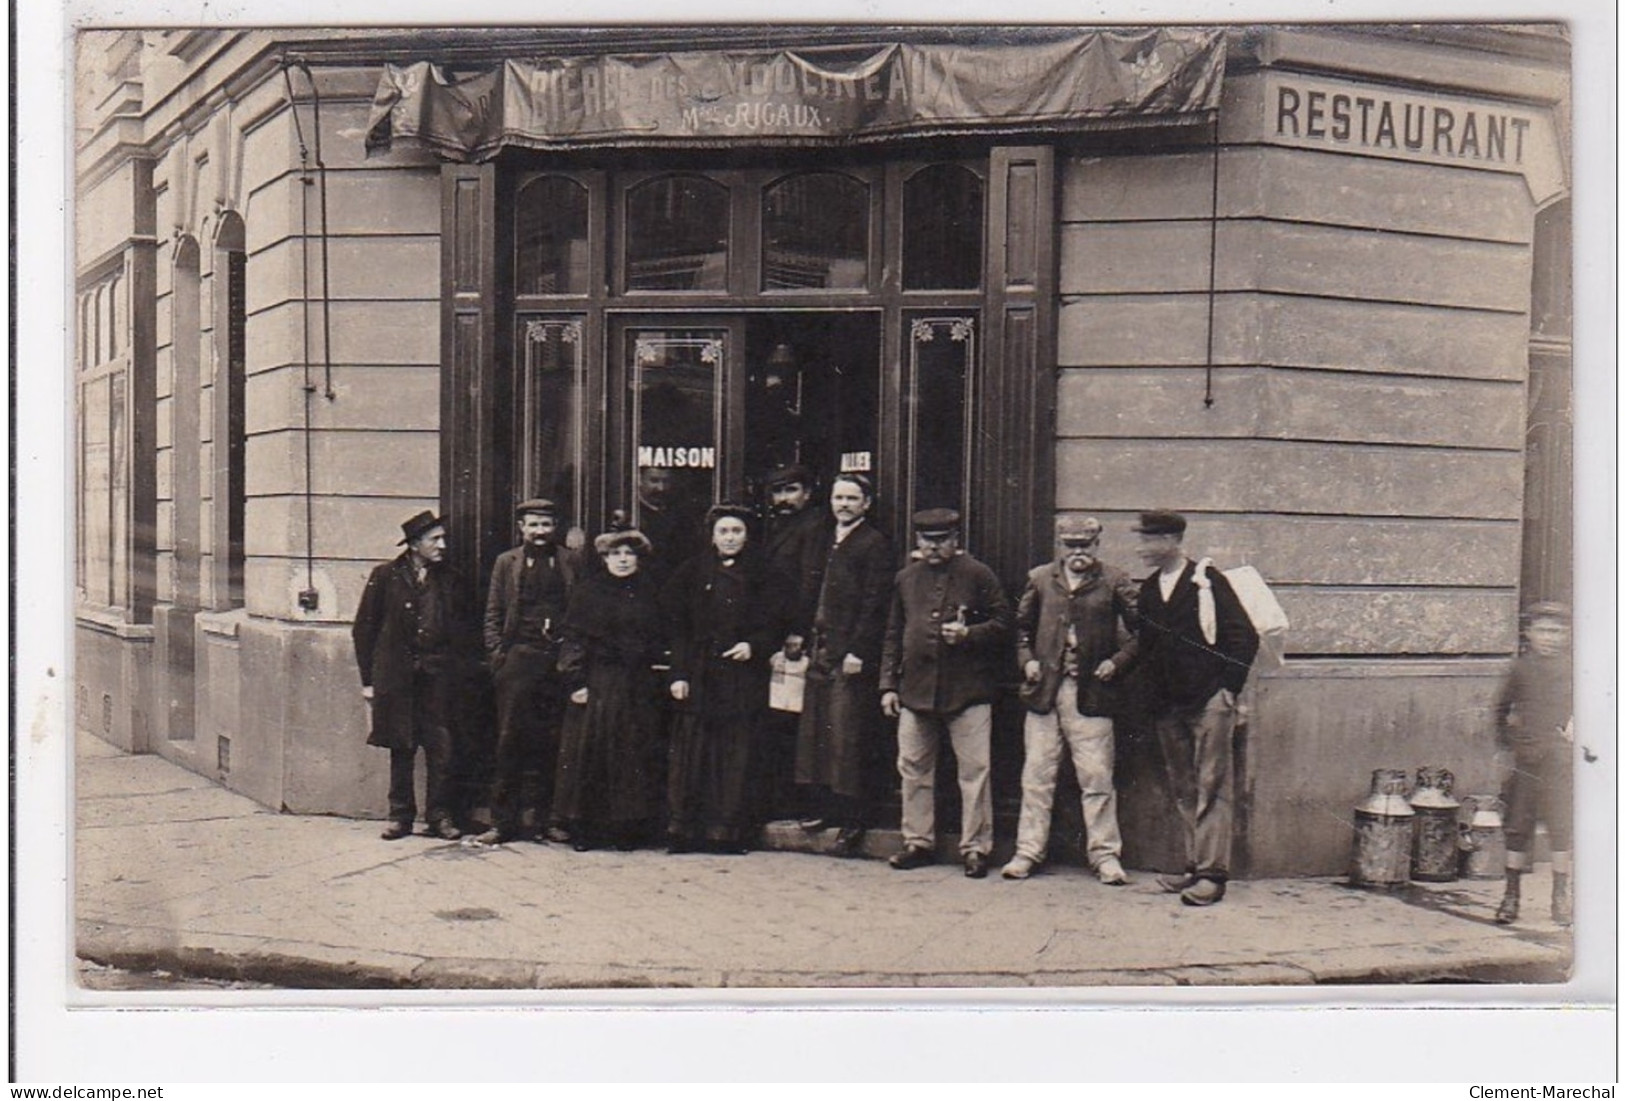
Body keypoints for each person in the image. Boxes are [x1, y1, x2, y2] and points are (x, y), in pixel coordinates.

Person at [1003, 515, 1139, 884]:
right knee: (1037, 775)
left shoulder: (1114, 581)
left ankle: (1106, 856)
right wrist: (1027, 660)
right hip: (1045, 693)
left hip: (1092, 694)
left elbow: (1142, 632)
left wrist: (1117, 661)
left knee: (1096, 777)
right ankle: (1028, 851)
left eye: (1086, 546)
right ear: (1060, 547)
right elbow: (1020, 628)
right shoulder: (1041, 579)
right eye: (1071, 546)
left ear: (1097, 545)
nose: (1078, 553)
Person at [1133, 509, 1259, 906]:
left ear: (1173, 541)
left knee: (1212, 786)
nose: (1144, 548)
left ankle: (1212, 875)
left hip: (1207, 701)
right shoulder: (1150, 589)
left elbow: (1245, 637)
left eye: (1151, 540)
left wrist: (1227, 690)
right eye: (1144, 539)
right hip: (1168, 706)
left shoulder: (1207, 581)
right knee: (1184, 787)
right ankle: (1192, 866)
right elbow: (1147, 648)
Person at [881, 508, 1013, 879]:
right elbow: (893, 633)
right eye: (927, 541)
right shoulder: (906, 579)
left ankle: (975, 848)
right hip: (916, 690)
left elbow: (1005, 622)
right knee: (913, 768)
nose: (934, 548)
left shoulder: (978, 574)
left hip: (967, 690)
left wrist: (969, 634)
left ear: (956, 541)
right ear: (918, 542)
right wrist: (888, 685)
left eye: (941, 541)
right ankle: (918, 841)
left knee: (975, 771)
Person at [663, 504, 793, 853]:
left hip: (741, 674)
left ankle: (727, 832)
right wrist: (679, 673)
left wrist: (754, 645)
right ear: (712, 536)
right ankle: (684, 831)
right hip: (700, 671)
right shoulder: (691, 572)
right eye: (723, 531)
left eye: (737, 531)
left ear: (747, 536)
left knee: (735, 752)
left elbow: (777, 621)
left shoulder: (765, 574)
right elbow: (677, 628)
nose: (730, 538)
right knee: (693, 751)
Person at [352, 510, 474, 841]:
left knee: (442, 747)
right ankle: (400, 816)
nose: (443, 545)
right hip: (398, 679)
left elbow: (464, 632)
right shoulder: (386, 576)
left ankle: (440, 816)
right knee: (401, 746)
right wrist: (369, 681)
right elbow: (364, 630)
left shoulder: (451, 579)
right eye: (435, 539)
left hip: (439, 678)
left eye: (443, 538)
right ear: (415, 544)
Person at [795, 473, 893, 856]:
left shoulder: (873, 543)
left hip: (848, 655)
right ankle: (825, 808)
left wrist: (859, 650)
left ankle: (854, 817)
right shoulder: (823, 539)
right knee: (817, 733)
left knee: (847, 737)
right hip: (819, 648)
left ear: (866, 503)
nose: (844, 504)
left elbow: (875, 602)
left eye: (852, 498)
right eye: (838, 497)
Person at [476, 499, 584, 845]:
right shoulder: (506, 563)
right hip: (518, 661)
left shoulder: (570, 561)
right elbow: (492, 613)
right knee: (510, 741)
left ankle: (545, 820)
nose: (540, 532)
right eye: (533, 525)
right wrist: (498, 658)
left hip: (558, 662)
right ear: (521, 527)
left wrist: (570, 659)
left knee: (552, 741)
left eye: (546, 525)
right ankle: (502, 821)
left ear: (556, 527)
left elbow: (579, 611)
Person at [551, 529, 667, 851]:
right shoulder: (589, 592)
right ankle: (585, 829)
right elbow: (573, 640)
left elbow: (658, 638)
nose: (623, 559)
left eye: (629, 553)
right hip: (598, 682)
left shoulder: (649, 592)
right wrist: (575, 682)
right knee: (593, 754)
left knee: (632, 754)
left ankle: (626, 829)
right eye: (616, 554)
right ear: (604, 558)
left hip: (636, 685)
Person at [1492, 601, 1575, 927]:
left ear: (1567, 635)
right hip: (1527, 762)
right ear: (1529, 633)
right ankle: (1510, 897)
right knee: (1517, 828)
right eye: (1543, 630)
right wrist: (1511, 745)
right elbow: (1500, 711)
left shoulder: (1575, 669)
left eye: (1557, 631)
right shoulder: (1520, 669)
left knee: (1561, 828)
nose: (1550, 637)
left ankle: (1560, 897)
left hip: (1562, 763)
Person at [758, 463, 830, 821]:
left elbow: (809, 581)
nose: (783, 499)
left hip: (793, 637)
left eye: (791, 491)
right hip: (771, 632)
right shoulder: (777, 527)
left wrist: (798, 631)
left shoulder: (815, 526)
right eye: (778, 492)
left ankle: (797, 800)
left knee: (793, 719)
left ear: (808, 493)